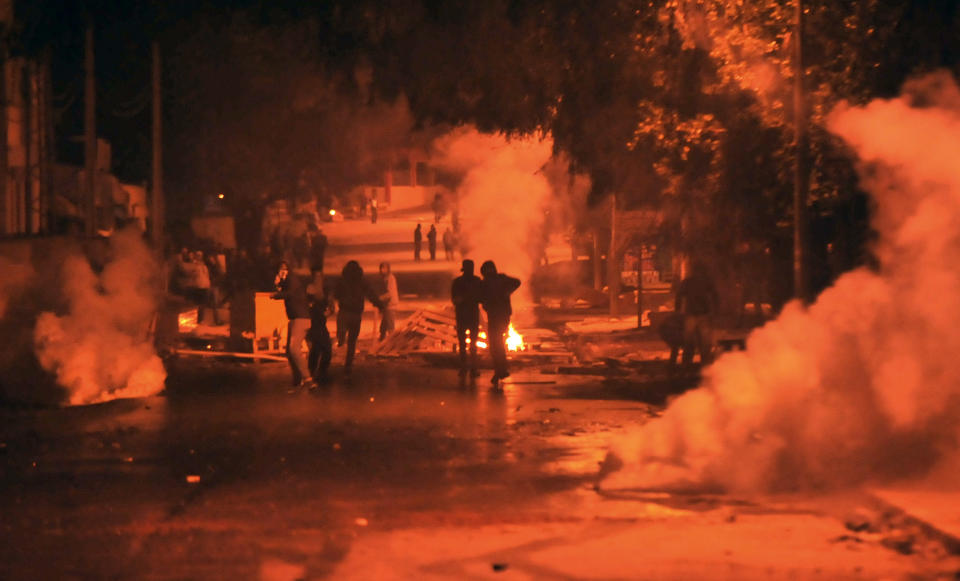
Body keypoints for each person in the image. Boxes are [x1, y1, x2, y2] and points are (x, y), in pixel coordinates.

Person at [334, 260, 385, 375]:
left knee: (342, 333)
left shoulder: (341, 281)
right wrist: (380, 305)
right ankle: (348, 365)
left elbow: (336, 294)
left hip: (344, 312)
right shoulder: (362, 281)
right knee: (352, 341)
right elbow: (371, 295)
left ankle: (341, 340)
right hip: (356, 314)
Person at [272, 261, 314, 390]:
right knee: (289, 352)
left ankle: (308, 379)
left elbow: (289, 293)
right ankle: (298, 380)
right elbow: (285, 289)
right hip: (295, 319)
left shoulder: (293, 280)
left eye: (284, 268)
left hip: (300, 319)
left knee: (294, 349)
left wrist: (276, 295)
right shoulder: (288, 280)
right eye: (280, 269)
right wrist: (278, 284)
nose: (282, 271)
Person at [479, 260, 521, 386]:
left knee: (495, 344)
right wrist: (507, 291)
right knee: (498, 343)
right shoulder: (501, 279)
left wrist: (486, 303)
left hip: (495, 316)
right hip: (503, 316)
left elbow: (480, 297)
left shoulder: (485, 283)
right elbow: (517, 282)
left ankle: (500, 370)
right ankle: (501, 370)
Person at [675, 260, 719, 365]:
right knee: (704, 343)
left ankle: (687, 364)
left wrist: (677, 311)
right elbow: (715, 296)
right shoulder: (706, 281)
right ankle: (704, 365)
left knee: (689, 341)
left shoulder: (688, 282)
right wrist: (715, 310)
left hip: (692, 314)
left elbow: (679, 297)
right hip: (703, 314)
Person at [451, 259, 483, 378]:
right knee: (472, 345)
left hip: (462, 316)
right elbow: (481, 297)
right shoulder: (477, 281)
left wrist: (463, 299)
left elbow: (454, 300)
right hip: (471, 316)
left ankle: (464, 368)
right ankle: (472, 369)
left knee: (464, 344)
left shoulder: (457, 282)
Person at [306, 274, 333, 383]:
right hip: (317, 327)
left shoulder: (315, 294)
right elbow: (321, 312)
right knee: (325, 350)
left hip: (316, 327)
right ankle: (319, 372)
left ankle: (312, 372)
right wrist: (327, 313)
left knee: (316, 350)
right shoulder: (314, 295)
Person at [378, 262, 400, 341]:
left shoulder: (390, 278)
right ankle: (382, 339)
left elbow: (390, 293)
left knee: (390, 325)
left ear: (388, 269)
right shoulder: (385, 278)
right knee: (384, 324)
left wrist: (379, 298)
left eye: (385, 268)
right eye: (382, 268)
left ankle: (392, 341)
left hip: (391, 305)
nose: (383, 270)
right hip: (386, 305)